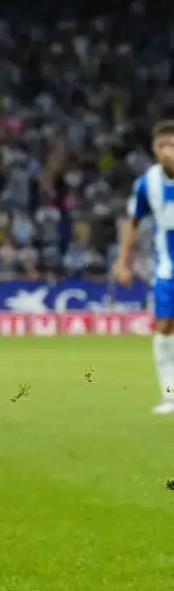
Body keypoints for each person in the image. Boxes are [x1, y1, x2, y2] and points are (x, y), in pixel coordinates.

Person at [114, 119, 174, 414]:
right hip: (168, 268)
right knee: (164, 327)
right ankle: (170, 395)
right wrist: (123, 261)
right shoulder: (147, 184)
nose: (167, 152)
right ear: (154, 149)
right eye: (162, 146)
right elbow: (132, 223)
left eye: (172, 146)